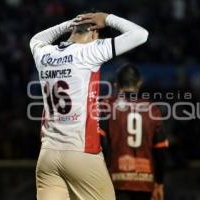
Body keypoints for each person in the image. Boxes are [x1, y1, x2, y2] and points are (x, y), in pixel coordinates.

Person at [29, 12, 148, 200]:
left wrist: (69, 23)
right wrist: (106, 17)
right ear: (94, 33)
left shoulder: (44, 54)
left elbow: (36, 39)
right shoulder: (90, 51)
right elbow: (141, 35)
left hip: (47, 156)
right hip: (81, 153)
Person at [100, 64, 169, 200]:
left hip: (115, 179)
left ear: (116, 85)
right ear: (139, 83)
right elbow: (160, 150)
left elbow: (101, 143)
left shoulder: (107, 105)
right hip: (145, 180)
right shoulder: (153, 109)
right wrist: (159, 182)